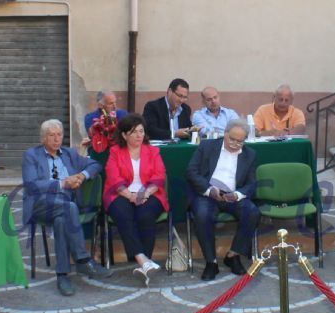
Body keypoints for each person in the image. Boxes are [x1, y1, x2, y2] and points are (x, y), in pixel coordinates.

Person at [21, 119, 111, 295]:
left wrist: (82, 175)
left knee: (62, 218)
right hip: (40, 204)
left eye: (59, 134)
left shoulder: (69, 154)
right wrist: (63, 184)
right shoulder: (31, 156)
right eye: (51, 135)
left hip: (63, 206)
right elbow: (32, 185)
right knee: (68, 208)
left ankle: (62, 275)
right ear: (43, 139)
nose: (56, 139)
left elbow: (96, 165)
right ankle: (82, 259)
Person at [185, 119, 260, 280]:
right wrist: (209, 190)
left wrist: (238, 194)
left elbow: (252, 183)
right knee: (202, 215)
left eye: (239, 141)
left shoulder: (250, 154)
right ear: (225, 134)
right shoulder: (207, 146)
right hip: (209, 193)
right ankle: (211, 262)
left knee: (252, 212)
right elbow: (191, 172)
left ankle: (233, 255)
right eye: (231, 139)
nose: (234, 144)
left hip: (233, 195)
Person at [103, 114, 169, 284]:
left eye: (141, 131)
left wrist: (145, 194)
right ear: (124, 135)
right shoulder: (115, 152)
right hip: (120, 193)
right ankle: (143, 259)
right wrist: (130, 195)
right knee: (123, 215)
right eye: (134, 132)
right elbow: (113, 178)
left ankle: (143, 264)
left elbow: (159, 175)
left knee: (145, 214)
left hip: (150, 193)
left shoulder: (153, 151)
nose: (139, 135)